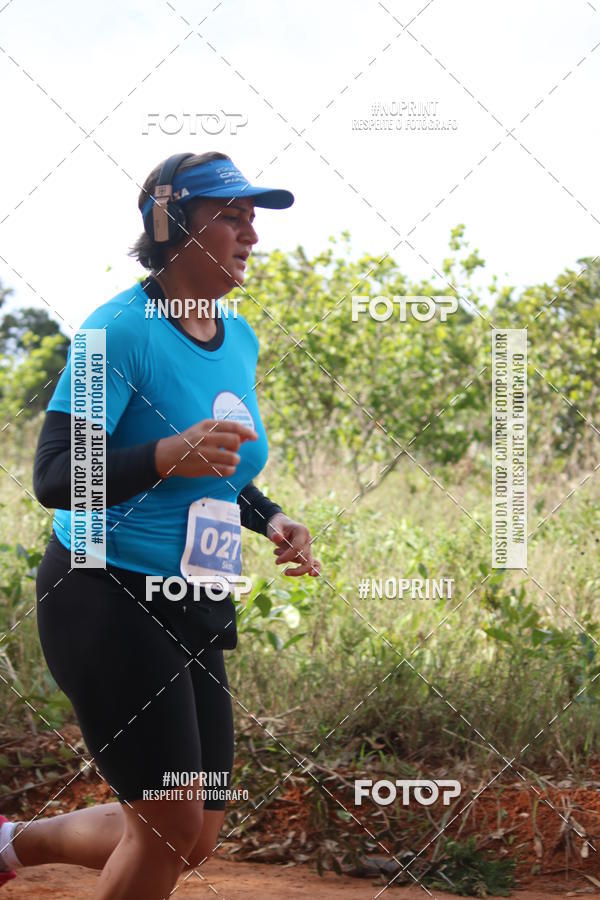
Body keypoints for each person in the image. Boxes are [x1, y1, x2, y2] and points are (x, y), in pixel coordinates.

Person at [0, 151, 321, 899]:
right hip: (105, 591)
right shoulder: (117, 332)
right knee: (170, 824)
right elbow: (55, 476)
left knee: (196, 831)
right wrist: (164, 457)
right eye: (231, 217)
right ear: (171, 224)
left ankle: (10, 845)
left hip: (192, 597)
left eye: (252, 219)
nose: (251, 235)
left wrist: (271, 516)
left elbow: (218, 465)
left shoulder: (237, 336)